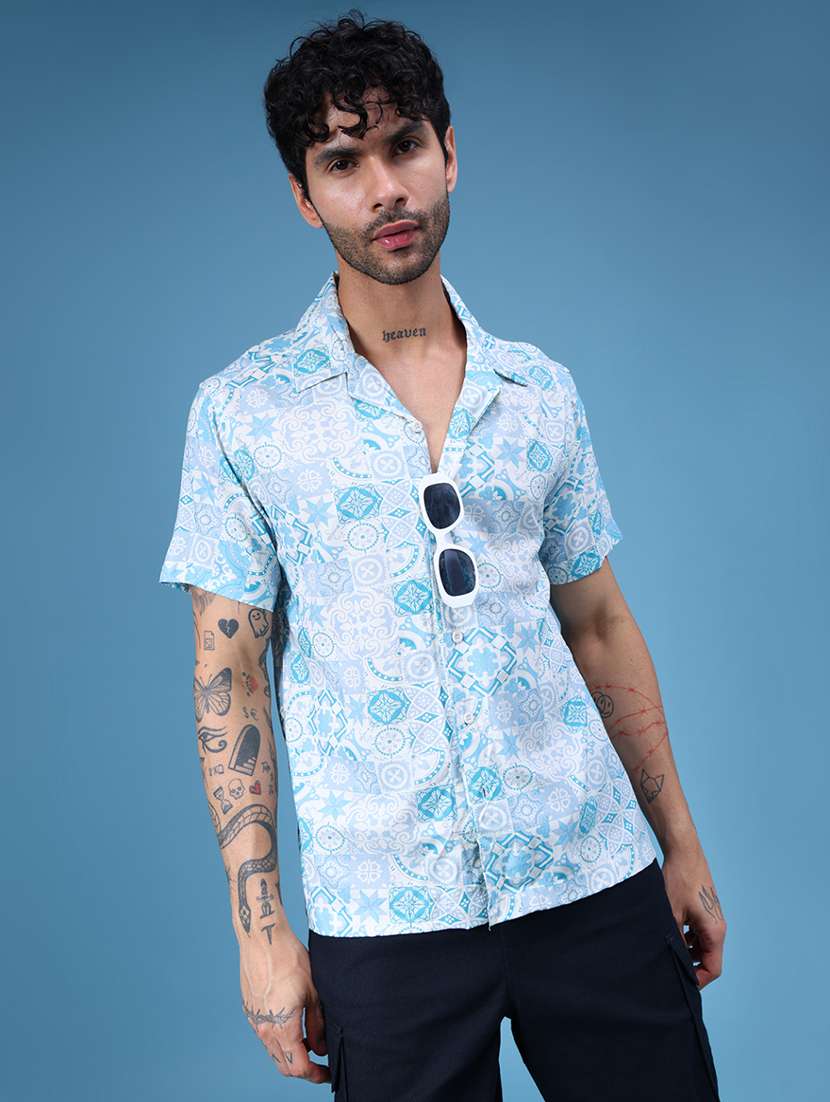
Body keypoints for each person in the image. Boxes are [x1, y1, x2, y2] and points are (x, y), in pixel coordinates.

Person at [158, 10, 726, 1101]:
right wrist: (260, 931)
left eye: (404, 145)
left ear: (449, 152)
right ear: (303, 194)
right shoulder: (242, 413)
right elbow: (228, 671)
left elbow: (599, 622)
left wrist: (681, 845)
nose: (386, 189)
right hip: (385, 916)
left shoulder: (538, 391)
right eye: (342, 162)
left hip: (590, 875)